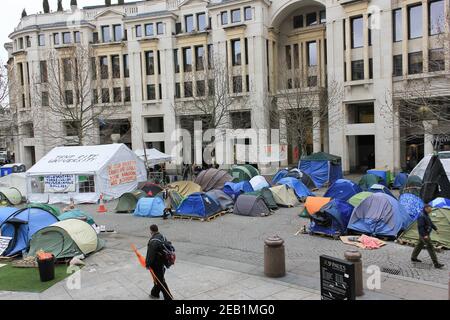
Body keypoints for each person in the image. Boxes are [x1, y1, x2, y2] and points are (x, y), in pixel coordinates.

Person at [411, 205, 445, 269]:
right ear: (426, 208)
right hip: (424, 234)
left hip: (425, 234)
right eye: (429, 209)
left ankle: (413, 257)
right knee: (430, 247)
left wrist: (436, 229)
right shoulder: (421, 216)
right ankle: (436, 263)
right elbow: (420, 227)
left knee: (419, 245)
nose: (430, 211)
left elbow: (430, 223)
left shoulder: (426, 214)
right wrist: (425, 235)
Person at [146, 225, 173, 300]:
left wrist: (147, 264)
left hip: (156, 264)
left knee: (160, 280)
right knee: (158, 278)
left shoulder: (153, 241)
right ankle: (154, 293)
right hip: (163, 262)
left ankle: (169, 297)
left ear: (151, 230)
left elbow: (150, 254)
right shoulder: (162, 236)